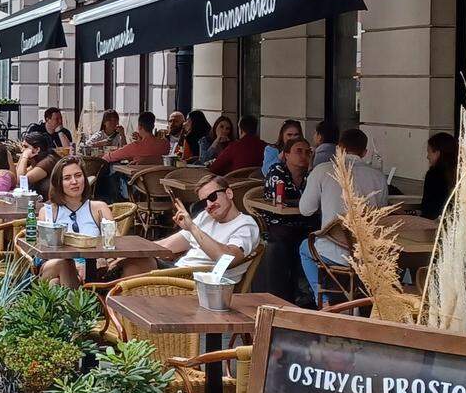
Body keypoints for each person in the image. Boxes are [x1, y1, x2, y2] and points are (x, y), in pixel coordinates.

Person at [298, 129, 388, 302]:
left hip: (332, 251)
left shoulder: (322, 170)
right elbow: (380, 214)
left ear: (338, 148)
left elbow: (305, 209)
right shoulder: (378, 177)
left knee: (304, 248)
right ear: (364, 152)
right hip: (366, 254)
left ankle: (322, 300)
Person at [115, 175, 260, 283]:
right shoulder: (205, 216)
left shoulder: (245, 225)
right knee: (132, 262)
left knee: (131, 267)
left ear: (229, 193)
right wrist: (130, 253)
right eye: (204, 202)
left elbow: (227, 259)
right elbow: (167, 245)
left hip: (202, 281)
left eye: (213, 197)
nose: (209, 204)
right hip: (180, 271)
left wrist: (192, 228)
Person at [37, 158, 115, 288]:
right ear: (58, 183)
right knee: (66, 264)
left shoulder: (99, 208)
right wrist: (76, 265)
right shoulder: (48, 211)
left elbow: (116, 242)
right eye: (67, 178)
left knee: (55, 284)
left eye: (78, 176)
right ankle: (82, 306)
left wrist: (105, 258)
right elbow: (45, 249)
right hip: (54, 265)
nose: (74, 182)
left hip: (93, 266)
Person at [260, 137, 316, 303]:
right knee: (288, 240)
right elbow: (281, 201)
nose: (304, 156)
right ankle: (290, 292)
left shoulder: (312, 175)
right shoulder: (277, 171)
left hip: (304, 222)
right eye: (298, 151)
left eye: (307, 152)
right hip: (279, 222)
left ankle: (308, 292)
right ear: (286, 155)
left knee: (312, 237)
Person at [102, 111, 170, 164]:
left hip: (139, 180)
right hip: (159, 179)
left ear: (139, 127)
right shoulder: (165, 144)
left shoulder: (135, 146)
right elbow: (152, 156)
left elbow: (108, 157)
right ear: (153, 126)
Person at [421, 132, 458, 219]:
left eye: (429, 152)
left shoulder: (433, 175)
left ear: (437, 153)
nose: (427, 156)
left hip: (436, 224)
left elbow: (428, 209)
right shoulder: (461, 173)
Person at [16, 132, 61, 199]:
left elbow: (22, 180)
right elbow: (18, 176)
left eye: (25, 147)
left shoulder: (48, 161)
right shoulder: (37, 160)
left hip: (51, 202)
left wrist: (25, 156)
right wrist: (23, 155)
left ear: (37, 149)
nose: (22, 150)